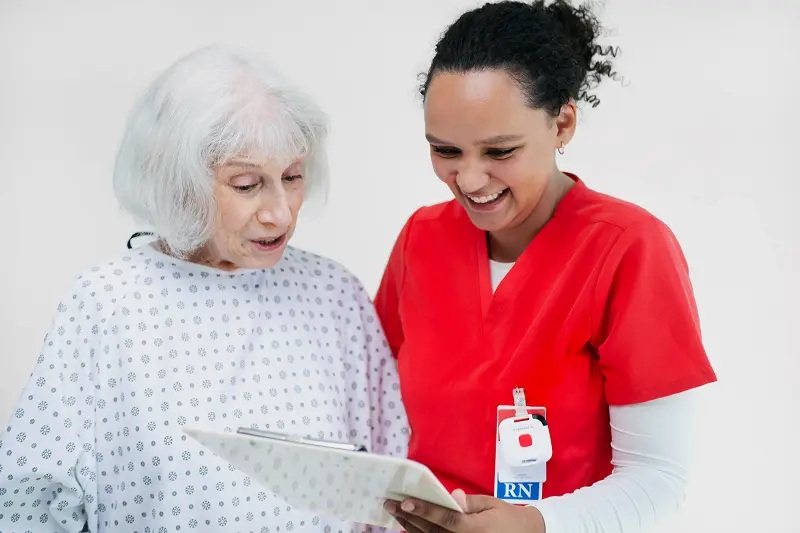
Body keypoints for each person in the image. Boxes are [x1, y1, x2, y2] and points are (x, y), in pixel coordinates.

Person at [0, 45, 408, 533]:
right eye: (246, 184)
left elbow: (393, 487)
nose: (280, 212)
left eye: (292, 177)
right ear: (179, 183)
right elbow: (29, 506)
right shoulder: (107, 304)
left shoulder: (334, 295)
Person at [376, 1, 717, 532]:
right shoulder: (422, 238)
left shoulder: (628, 249)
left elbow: (659, 481)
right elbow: (379, 413)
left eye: (500, 151)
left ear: (562, 122)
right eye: (446, 150)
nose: (469, 179)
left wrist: (536, 524)